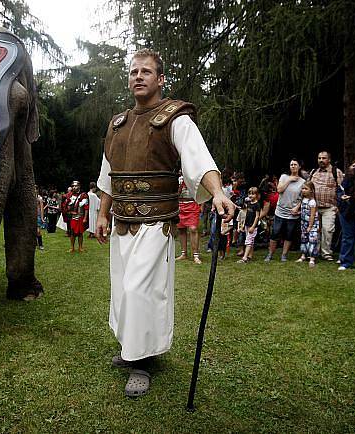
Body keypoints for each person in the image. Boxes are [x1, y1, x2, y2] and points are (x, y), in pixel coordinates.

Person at [95, 48, 235, 397]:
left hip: (156, 224)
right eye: (133, 72)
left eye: (145, 71)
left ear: (160, 79)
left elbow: (199, 158)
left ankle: (140, 364)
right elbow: (108, 175)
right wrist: (100, 213)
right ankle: (134, 348)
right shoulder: (117, 125)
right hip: (121, 222)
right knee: (124, 291)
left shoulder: (175, 118)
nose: (138, 76)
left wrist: (217, 193)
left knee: (140, 289)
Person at [265, 159, 305, 262]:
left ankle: (284, 255)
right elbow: (279, 190)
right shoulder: (284, 177)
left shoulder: (302, 182)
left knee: (289, 234)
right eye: (291, 164)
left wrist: (298, 207)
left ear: (299, 166)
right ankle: (270, 254)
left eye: (295, 164)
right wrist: (289, 180)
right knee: (275, 232)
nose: (293, 166)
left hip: (292, 213)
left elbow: (304, 197)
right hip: (280, 211)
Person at [309, 151, 344, 261]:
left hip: (330, 207)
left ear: (329, 160)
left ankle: (326, 253)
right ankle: (315, 251)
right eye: (319, 158)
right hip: (315, 207)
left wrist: (339, 205)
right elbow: (308, 187)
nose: (321, 160)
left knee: (327, 230)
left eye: (324, 158)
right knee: (315, 231)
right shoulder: (314, 172)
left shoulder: (336, 172)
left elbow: (341, 190)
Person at [176, 172, 203, 264]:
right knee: (181, 229)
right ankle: (184, 253)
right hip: (180, 205)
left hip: (193, 205)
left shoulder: (195, 178)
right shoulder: (178, 179)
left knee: (193, 228)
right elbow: (175, 193)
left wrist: (201, 205)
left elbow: (201, 192)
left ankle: (195, 255)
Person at [296, 181, 319, 268]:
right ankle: (303, 255)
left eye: (306, 189)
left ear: (311, 190)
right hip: (303, 223)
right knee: (304, 239)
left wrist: (310, 226)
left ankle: (312, 258)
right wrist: (298, 212)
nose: (303, 190)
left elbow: (312, 215)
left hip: (312, 225)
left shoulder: (312, 202)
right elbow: (303, 211)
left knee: (312, 240)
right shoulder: (303, 200)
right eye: (302, 188)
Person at [62, 180, 89, 253]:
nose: (74, 187)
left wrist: (85, 218)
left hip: (80, 216)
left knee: (80, 233)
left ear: (79, 186)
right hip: (71, 217)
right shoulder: (69, 196)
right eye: (73, 186)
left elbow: (86, 207)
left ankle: (80, 247)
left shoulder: (83, 195)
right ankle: (72, 247)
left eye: (76, 185)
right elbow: (65, 206)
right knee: (72, 233)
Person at [237, 187, 261, 264]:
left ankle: (244, 258)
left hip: (252, 226)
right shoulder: (249, 203)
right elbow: (247, 214)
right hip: (247, 224)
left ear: (257, 195)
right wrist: (243, 225)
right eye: (249, 193)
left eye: (253, 194)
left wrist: (253, 226)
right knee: (250, 241)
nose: (250, 195)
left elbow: (257, 216)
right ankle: (250, 255)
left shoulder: (257, 205)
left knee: (248, 241)